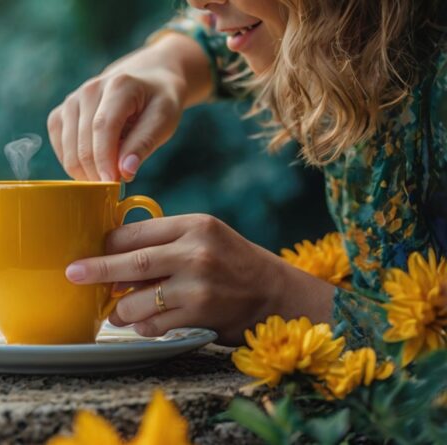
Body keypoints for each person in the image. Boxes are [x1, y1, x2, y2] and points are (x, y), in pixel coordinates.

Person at [49, 0, 447, 346]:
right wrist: (164, 65)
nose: (200, 2)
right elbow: (224, 31)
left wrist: (278, 298)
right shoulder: (355, 26)